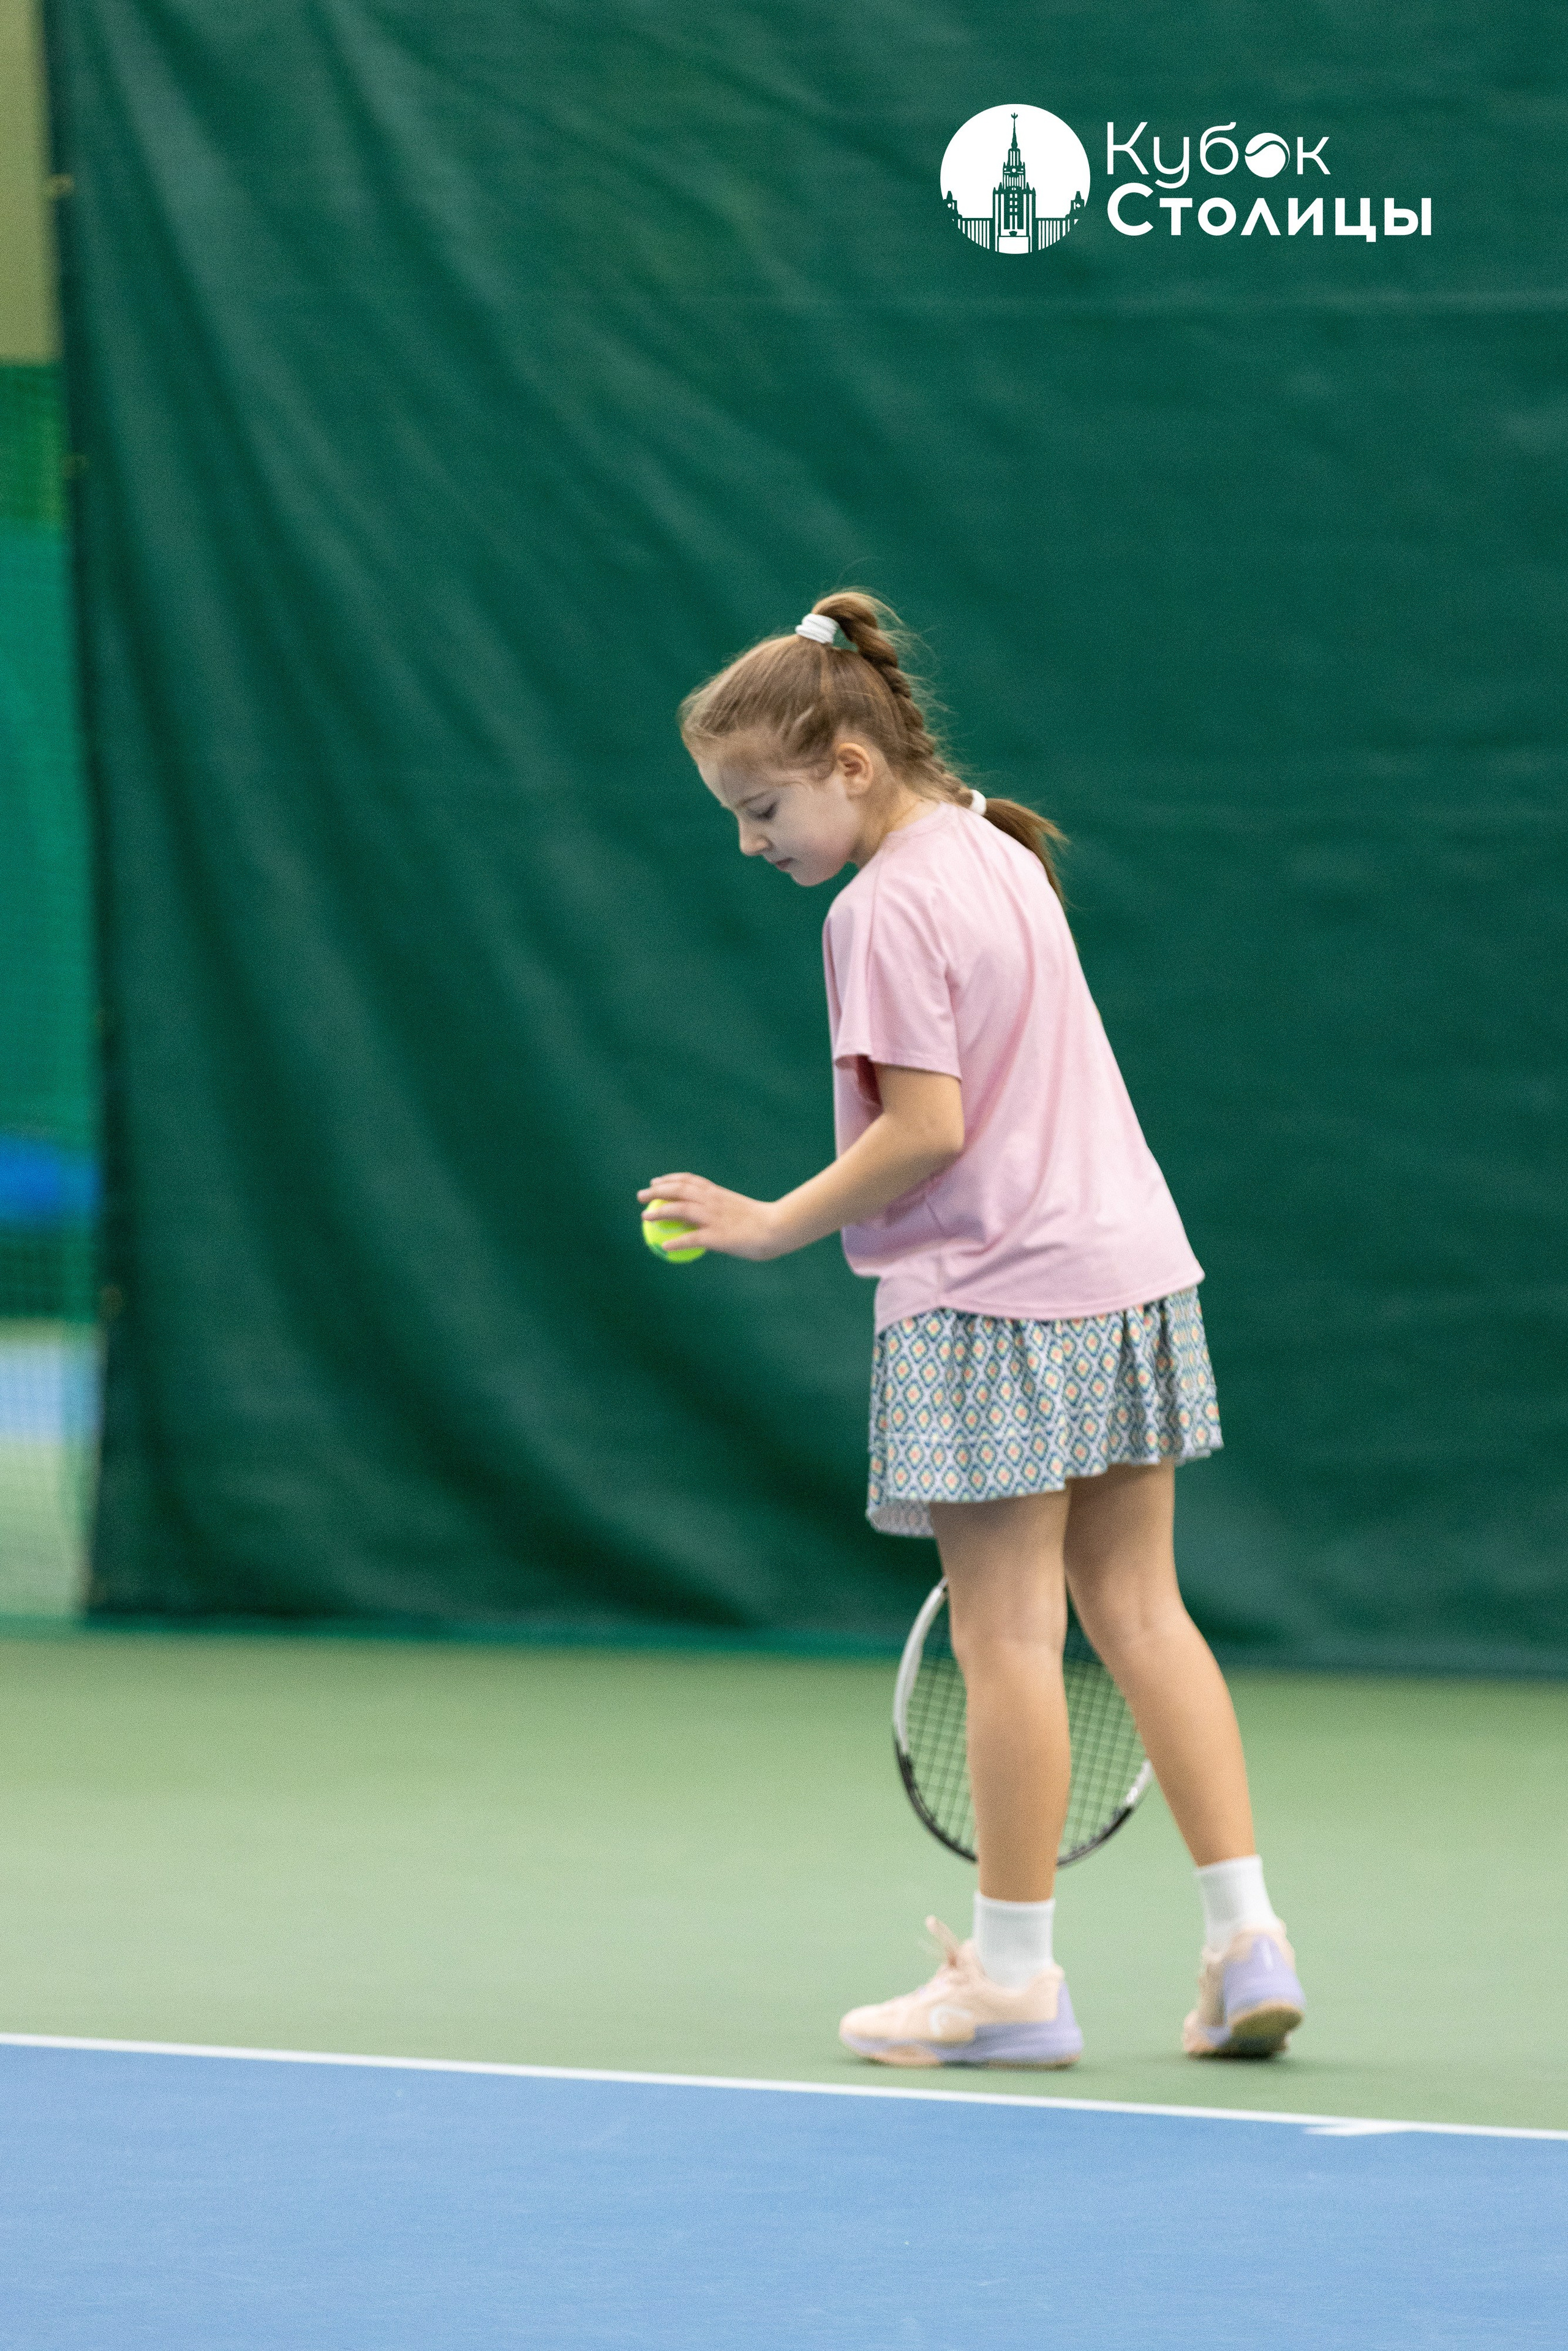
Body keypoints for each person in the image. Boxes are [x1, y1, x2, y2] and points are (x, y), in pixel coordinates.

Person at [641, 591, 1306, 2069]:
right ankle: (1243, 1937)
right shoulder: (1002, 854)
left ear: (851, 764)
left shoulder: (876, 910)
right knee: (1141, 1614)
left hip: (991, 1303)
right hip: (1132, 1272)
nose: (750, 842)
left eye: (761, 807)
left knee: (1009, 1639)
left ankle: (1011, 1981)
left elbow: (923, 1132)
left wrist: (766, 1218)